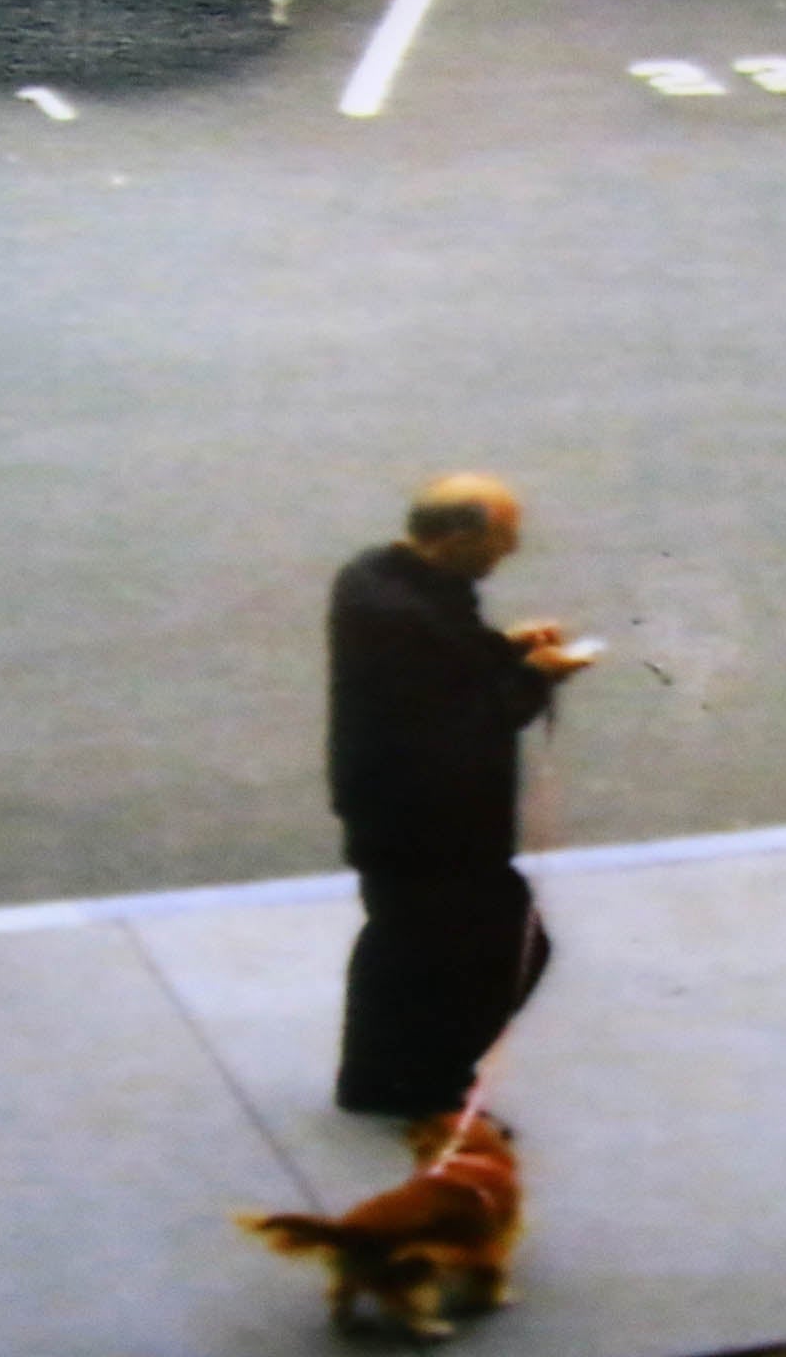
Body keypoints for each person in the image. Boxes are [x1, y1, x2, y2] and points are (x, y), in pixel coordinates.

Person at [328, 472, 596, 1118]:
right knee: (498, 947)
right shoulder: (408, 613)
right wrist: (532, 678)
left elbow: (440, 671)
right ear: (454, 537)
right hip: (434, 821)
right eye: (501, 536)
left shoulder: (376, 582)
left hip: (386, 808)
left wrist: (503, 648)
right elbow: (464, 721)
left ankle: (375, 1079)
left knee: (398, 945)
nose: (510, 550)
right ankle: (429, 1082)